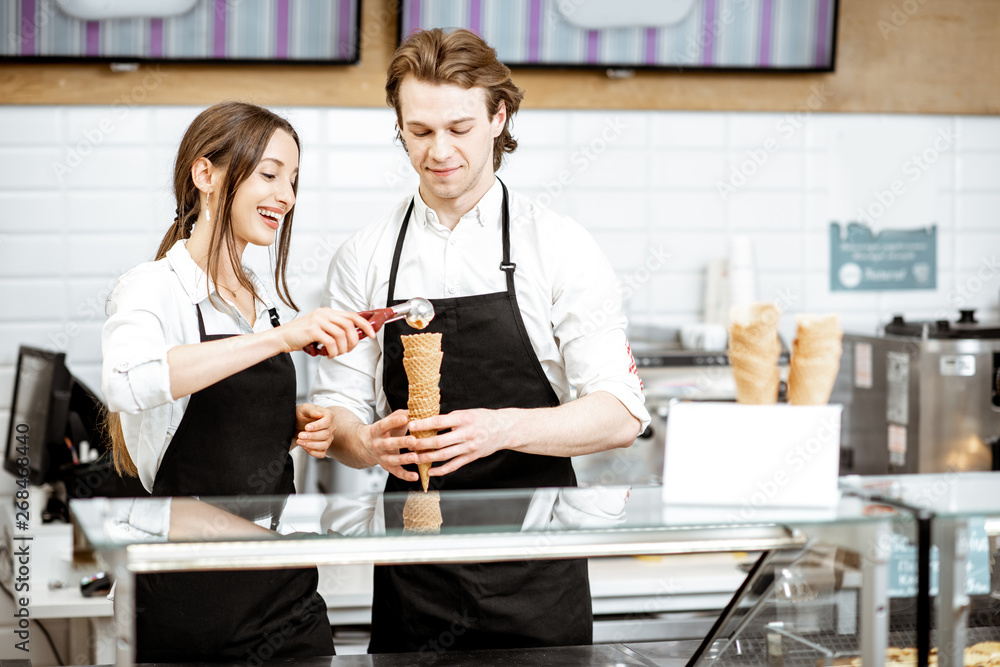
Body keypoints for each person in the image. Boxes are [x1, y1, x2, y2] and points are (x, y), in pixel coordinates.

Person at [309, 29, 651, 653]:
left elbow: (621, 413)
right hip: (414, 573)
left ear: (499, 118)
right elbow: (338, 416)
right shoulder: (364, 255)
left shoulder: (558, 244)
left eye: (459, 128)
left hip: (536, 570)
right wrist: (362, 440)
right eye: (419, 131)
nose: (439, 150)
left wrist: (501, 428)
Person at [101, 101, 375, 662]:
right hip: (190, 595)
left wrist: (292, 423)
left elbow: (232, 406)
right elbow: (126, 383)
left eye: (293, 180)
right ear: (206, 175)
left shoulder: (264, 299)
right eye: (270, 174)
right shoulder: (152, 287)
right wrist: (282, 339)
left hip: (280, 584)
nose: (287, 196)